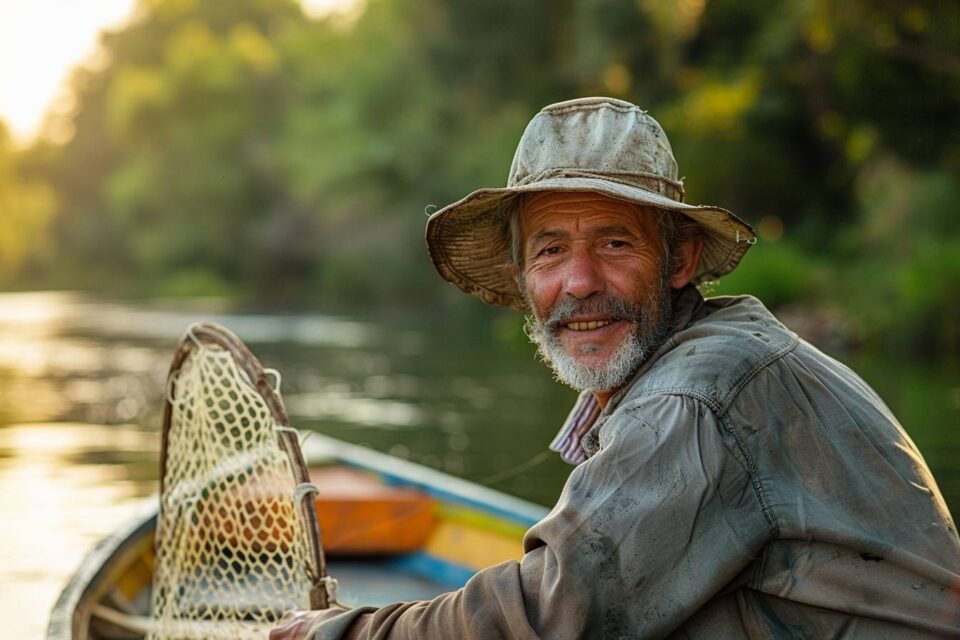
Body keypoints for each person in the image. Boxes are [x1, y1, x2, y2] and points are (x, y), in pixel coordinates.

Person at [272, 97, 960, 639]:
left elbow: (552, 618)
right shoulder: (698, 364)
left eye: (614, 242)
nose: (578, 282)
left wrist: (345, 632)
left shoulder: (697, 392)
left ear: (680, 261)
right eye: (549, 252)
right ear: (521, 278)